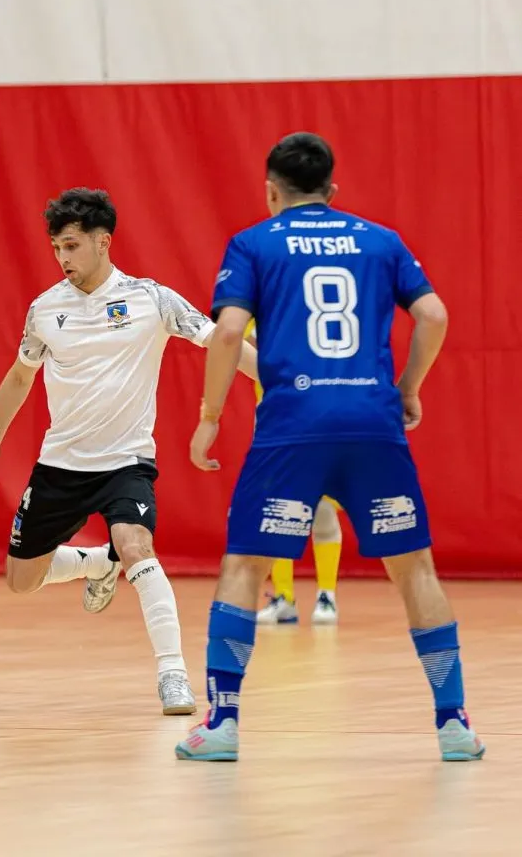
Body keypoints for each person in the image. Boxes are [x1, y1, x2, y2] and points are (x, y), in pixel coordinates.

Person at [176, 132, 484, 762]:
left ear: (271, 190)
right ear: (331, 189)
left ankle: (223, 724)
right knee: (415, 569)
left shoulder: (254, 243)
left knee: (244, 567)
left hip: (292, 425)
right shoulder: (380, 239)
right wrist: (407, 389)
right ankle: (454, 724)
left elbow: (228, 330)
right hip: (373, 421)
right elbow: (434, 316)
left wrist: (209, 415)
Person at [0, 187, 258, 716]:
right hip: (61, 464)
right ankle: (98, 562)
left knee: (138, 545)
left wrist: (283, 385)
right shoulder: (45, 309)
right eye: (56, 248)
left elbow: (222, 340)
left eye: (73, 246)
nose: (63, 259)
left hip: (126, 461)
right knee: (20, 579)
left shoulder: (152, 299)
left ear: (103, 242)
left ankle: (172, 674)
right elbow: (18, 377)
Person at [245, 323, 343, 625]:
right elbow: (241, 347)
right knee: (278, 514)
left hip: (320, 422)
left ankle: (327, 596)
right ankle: (284, 597)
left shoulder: (316, 314)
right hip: (274, 429)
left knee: (323, 509)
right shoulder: (253, 314)